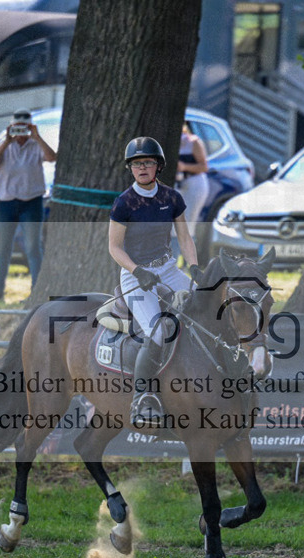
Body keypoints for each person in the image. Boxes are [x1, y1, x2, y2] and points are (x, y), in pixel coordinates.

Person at [109, 136, 201, 428]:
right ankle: (142, 398)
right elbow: (114, 248)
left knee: (205, 308)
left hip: (168, 270)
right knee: (159, 332)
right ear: (131, 169)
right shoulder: (124, 202)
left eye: (147, 162)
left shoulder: (172, 198)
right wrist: (137, 271)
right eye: (136, 164)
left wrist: (195, 269)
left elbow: (184, 238)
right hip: (135, 276)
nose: (142, 168)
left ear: (158, 166)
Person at [0, 109, 57, 302]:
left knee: (33, 248)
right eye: (17, 127)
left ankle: (37, 293)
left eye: (24, 127)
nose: (21, 133)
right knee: (3, 250)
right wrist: (7, 140)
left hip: (31, 202)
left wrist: (37, 136)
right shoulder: (5, 145)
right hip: (5, 203)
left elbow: (51, 157)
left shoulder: (35, 145)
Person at [172, 122, 209, 261]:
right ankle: (174, 260)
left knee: (188, 223)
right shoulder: (168, 141)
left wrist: (184, 166)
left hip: (193, 184)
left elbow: (204, 166)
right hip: (177, 185)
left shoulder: (193, 142)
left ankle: (190, 262)